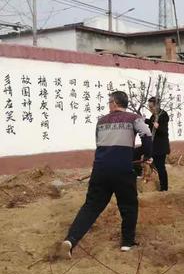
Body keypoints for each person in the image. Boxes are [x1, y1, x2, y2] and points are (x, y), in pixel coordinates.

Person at [58, 91, 153, 258]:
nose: (109, 105)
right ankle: (126, 243)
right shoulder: (134, 118)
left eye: (109, 102)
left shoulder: (101, 122)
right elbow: (147, 135)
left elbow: (101, 145)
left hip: (100, 170)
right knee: (128, 206)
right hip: (122, 170)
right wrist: (147, 155)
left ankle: (71, 240)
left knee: (91, 207)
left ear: (115, 103)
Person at [146, 96, 170, 191]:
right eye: (149, 107)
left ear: (157, 106)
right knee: (152, 164)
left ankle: (164, 188)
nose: (150, 109)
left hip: (161, 146)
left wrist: (157, 126)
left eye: (151, 107)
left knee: (160, 167)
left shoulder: (163, 115)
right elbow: (151, 123)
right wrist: (144, 120)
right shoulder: (154, 115)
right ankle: (151, 183)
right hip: (154, 145)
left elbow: (164, 131)